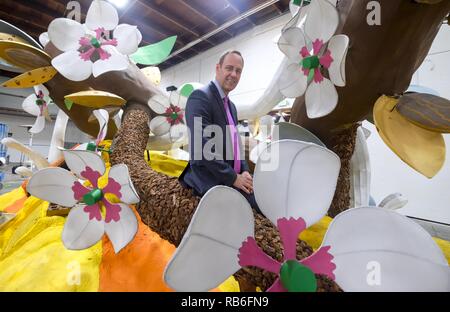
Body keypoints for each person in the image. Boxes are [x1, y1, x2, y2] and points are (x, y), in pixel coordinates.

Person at [179, 51, 260, 213]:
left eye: (238, 71)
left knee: (265, 198)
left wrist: (244, 170)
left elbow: (235, 144)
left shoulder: (232, 106)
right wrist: (234, 178)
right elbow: (203, 149)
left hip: (231, 175)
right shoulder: (200, 97)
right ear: (218, 68)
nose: (234, 74)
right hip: (210, 177)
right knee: (258, 206)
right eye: (229, 68)